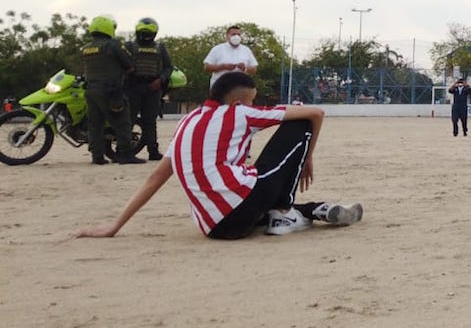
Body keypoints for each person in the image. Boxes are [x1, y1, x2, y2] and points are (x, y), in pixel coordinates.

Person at [74, 72, 363, 240]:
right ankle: (286, 213)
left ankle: (313, 210)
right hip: (242, 207)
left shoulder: (186, 122)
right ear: (239, 101)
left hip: (215, 228)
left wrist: (114, 226)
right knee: (299, 122)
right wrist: (307, 157)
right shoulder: (240, 112)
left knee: (250, 183)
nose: (254, 104)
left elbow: (155, 178)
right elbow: (316, 113)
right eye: (252, 99)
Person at [81, 14, 143, 165]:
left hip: (90, 90)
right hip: (110, 90)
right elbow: (129, 64)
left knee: (95, 124)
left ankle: (97, 157)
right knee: (122, 122)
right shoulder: (112, 45)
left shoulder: (87, 48)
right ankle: (125, 154)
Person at [124, 17, 173, 160]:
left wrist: (161, 80)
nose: (145, 35)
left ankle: (153, 151)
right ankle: (125, 151)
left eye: (148, 32)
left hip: (153, 87)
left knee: (150, 121)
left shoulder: (160, 47)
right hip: (133, 87)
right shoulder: (129, 46)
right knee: (129, 120)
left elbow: (168, 67)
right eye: (142, 32)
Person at [203, 25, 259, 90]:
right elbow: (207, 67)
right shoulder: (217, 49)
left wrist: (245, 68)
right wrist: (223, 67)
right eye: (233, 34)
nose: (236, 37)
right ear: (227, 36)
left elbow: (254, 69)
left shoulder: (246, 50)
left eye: (238, 34)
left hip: (240, 88)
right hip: (220, 87)